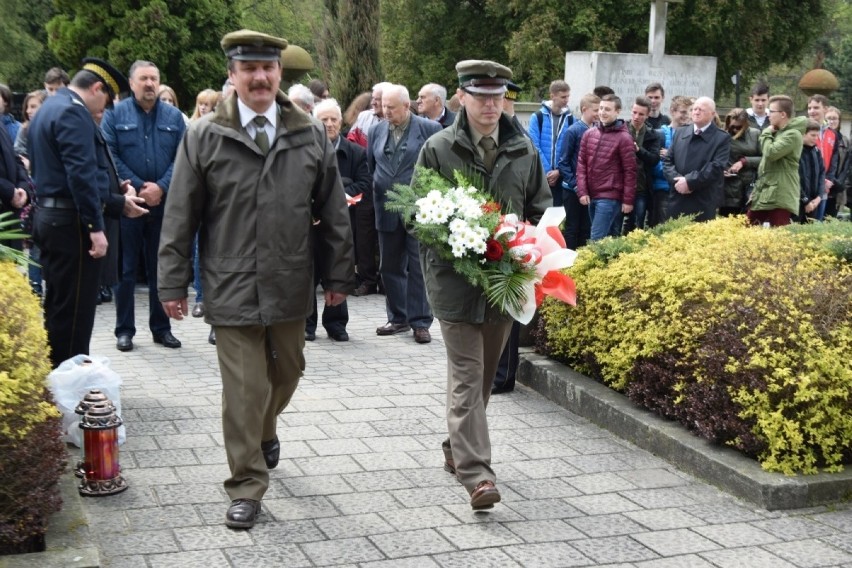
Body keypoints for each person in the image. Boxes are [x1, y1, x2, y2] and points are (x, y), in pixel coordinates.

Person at [158, 30, 355, 529]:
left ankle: (266, 427)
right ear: (233, 75)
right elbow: (180, 215)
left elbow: (333, 211)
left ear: (279, 73)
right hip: (230, 283)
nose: (260, 77)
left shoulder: (309, 132)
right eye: (249, 68)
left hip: (290, 280)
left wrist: (338, 278)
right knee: (244, 387)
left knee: (287, 372)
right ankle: (246, 484)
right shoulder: (204, 135)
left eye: (268, 68)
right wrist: (171, 283)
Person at [415, 59, 551, 510]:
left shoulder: (524, 149)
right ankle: (478, 476)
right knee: (468, 378)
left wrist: (531, 252)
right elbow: (417, 214)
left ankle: (457, 449)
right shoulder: (437, 147)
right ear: (462, 98)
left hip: (504, 284)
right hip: (454, 285)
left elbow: (540, 210)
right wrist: (456, 240)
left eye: (498, 96)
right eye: (481, 95)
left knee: (485, 377)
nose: (491, 104)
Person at [28, 58, 148, 368]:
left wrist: (114, 190)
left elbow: (70, 171)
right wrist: (97, 227)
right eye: (106, 99)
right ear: (96, 88)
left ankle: (57, 377)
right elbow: (79, 177)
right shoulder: (73, 112)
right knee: (75, 313)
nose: (105, 109)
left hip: (54, 219)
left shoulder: (50, 107)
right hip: (72, 227)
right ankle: (68, 385)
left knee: (59, 307)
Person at [102, 60, 186, 353]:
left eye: (154, 78)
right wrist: (139, 186)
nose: (150, 84)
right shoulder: (115, 114)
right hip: (129, 203)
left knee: (159, 267)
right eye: (143, 79)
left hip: (163, 204)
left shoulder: (174, 117)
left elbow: (183, 156)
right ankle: (124, 330)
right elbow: (110, 154)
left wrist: (161, 186)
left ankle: (161, 328)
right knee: (125, 269)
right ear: (132, 83)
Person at [367, 84, 442, 344]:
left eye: (391, 107)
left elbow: (438, 169)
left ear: (406, 106)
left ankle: (420, 322)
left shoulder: (429, 129)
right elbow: (371, 166)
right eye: (383, 106)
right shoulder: (375, 130)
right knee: (389, 265)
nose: (385, 111)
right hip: (386, 207)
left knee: (418, 265)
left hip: (418, 209)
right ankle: (397, 317)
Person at [307, 98, 370, 341]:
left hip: (343, 221)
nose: (329, 124)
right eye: (324, 120)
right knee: (309, 273)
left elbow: (365, 183)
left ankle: (336, 324)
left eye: (334, 119)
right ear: (315, 122)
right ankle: (307, 324)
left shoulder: (356, 152)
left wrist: (340, 195)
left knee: (338, 269)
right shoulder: (305, 151)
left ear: (341, 122)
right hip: (311, 223)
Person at [576, 94, 636, 241]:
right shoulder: (589, 134)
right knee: (607, 238)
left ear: (617, 111)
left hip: (610, 195)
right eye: (601, 108)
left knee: (596, 238)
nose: (602, 112)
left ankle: (591, 264)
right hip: (591, 194)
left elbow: (630, 171)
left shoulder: (624, 138)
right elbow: (582, 163)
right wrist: (582, 191)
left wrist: (628, 200)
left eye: (607, 109)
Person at [662, 96, 730, 222]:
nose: (696, 112)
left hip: (702, 199)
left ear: (712, 114)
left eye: (702, 110)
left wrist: (689, 182)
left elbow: (716, 167)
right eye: (694, 109)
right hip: (678, 196)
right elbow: (667, 161)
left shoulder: (721, 138)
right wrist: (677, 180)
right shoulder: (681, 132)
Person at [747, 95, 806, 227]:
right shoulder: (778, 132)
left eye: (771, 111)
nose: (768, 115)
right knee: (748, 227)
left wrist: (766, 133)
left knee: (778, 235)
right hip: (766, 189)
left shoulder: (793, 134)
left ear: (783, 114)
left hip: (781, 192)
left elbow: (771, 153)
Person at [558, 93, 599, 249]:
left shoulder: (598, 131)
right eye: (595, 110)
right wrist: (576, 185)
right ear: (584, 109)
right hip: (572, 190)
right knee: (572, 228)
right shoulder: (573, 131)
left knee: (586, 228)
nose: (598, 114)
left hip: (590, 190)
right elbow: (563, 163)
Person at [528, 80, 573, 206]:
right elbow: (533, 145)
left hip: (561, 176)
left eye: (568, 96)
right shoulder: (537, 117)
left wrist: (559, 171)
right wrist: (548, 171)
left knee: (558, 215)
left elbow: (571, 148)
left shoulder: (570, 119)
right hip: (541, 175)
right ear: (552, 96)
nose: (566, 100)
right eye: (563, 97)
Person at [623, 96, 661, 233]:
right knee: (618, 224)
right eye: (634, 112)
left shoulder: (653, 134)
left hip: (641, 186)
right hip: (620, 185)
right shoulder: (622, 129)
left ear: (648, 115)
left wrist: (639, 150)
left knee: (637, 224)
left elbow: (654, 159)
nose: (636, 116)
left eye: (641, 114)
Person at [719, 108, 761, 217]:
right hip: (728, 188)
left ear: (746, 124)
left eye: (738, 127)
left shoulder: (755, 134)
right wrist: (720, 170)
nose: (735, 130)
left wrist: (744, 161)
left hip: (749, 185)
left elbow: (765, 158)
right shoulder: (723, 135)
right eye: (732, 126)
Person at [797, 120, 826, 223]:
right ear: (803, 134)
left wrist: (819, 197)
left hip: (814, 202)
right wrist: (805, 200)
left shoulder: (816, 151)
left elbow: (822, 173)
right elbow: (794, 178)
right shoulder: (796, 151)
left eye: (817, 136)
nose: (815, 139)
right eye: (812, 135)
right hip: (799, 202)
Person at [347, 82, 391, 147]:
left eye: (377, 99)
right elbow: (351, 141)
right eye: (373, 98)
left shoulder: (395, 120)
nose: (373, 103)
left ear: (388, 100)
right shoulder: (364, 116)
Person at [824, 106, 849, 218]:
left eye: (835, 118)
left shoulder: (844, 140)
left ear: (839, 121)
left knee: (831, 218)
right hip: (824, 184)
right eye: (829, 118)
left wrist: (840, 182)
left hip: (837, 188)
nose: (831, 121)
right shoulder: (820, 136)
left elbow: (847, 164)